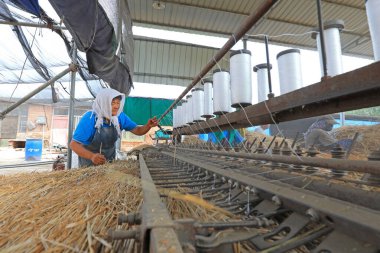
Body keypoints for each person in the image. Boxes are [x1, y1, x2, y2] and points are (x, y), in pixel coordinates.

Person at [70, 88, 158, 167]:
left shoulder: (119, 117)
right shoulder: (90, 118)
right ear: (104, 103)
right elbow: (74, 145)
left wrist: (148, 126)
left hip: (109, 164)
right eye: (112, 103)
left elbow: (138, 130)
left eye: (118, 103)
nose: (116, 106)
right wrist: (92, 156)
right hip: (89, 166)